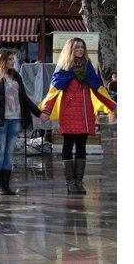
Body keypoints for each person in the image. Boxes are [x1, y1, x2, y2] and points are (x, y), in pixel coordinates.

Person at [39, 37, 116, 195]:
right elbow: (53, 92)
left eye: (82, 47)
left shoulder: (88, 66)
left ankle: (79, 182)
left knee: (81, 146)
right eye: (77, 47)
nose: (80, 50)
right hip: (69, 111)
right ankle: (70, 182)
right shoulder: (64, 68)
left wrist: (113, 106)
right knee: (68, 144)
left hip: (85, 111)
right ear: (70, 50)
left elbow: (98, 89)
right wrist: (46, 111)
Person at [0, 49, 42, 195]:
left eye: (13, 59)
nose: (13, 62)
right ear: (2, 60)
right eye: (10, 59)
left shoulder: (16, 76)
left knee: (9, 152)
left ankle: (6, 184)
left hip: (15, 118)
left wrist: (39, 113)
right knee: (0, 150)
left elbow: (25, 98)